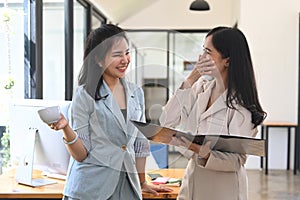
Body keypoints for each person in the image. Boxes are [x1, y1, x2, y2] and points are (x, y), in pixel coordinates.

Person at [48, 24, 172, 200]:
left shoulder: (136, 93)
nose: (125, 60)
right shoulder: (84, 94)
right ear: (99, 60)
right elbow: (81, 154)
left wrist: (142, 181)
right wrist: (66, 128)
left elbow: (140, 144)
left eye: (127, 53)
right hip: (90, 188)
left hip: (127, 186)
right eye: (117, 55)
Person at [159, 26, 266, 200]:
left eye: (208, 52)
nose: (201, 58)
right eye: (202, 50)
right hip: (192, 184)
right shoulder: (201, 88)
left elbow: (237, 161)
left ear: (228, 61)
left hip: (223, 190)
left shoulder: (241, 106)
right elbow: (166, 120)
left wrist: (201, 151)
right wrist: (192, 77)